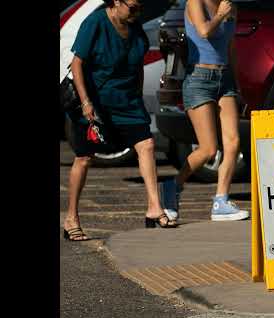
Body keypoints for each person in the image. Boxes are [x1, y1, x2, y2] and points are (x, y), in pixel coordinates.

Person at [63, 0, 177, 241]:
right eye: (134, 7)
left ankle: (154, 207)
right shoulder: (96, 23)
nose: (138, 12)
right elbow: (77, 63)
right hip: (97, 102)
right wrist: (86, 102)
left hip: (127, 101)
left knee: (146, 145)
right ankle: (71, 217)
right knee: (84, 158)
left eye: (140, 7)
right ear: (116, 1)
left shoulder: (133, 26)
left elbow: (138, 65)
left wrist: (137, 95)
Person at [161, 0, 249, 222]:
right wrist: (219, 15)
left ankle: (221, 201)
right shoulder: (195, 2)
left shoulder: (230, 7)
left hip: (225, 79)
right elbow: (203, 31)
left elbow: (231, 48)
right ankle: (173, 186)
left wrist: (238, 86)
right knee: (209, 149)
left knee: (233, 142)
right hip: (199, 79)